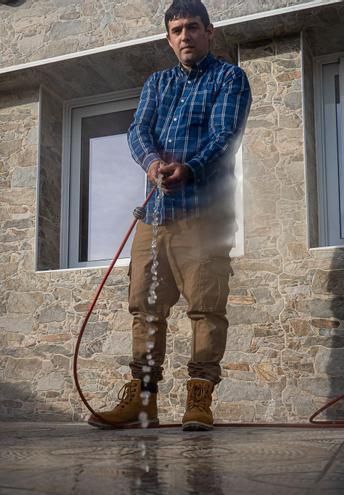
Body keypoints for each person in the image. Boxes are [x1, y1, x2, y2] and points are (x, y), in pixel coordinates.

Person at [88, 0, 252, 431]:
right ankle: (143, 402)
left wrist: (190, 167)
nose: (185, 36)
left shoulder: (229, 78)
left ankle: (199, 399)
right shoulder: (157, 84)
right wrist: (150, 162)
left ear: (209, 32)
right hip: (155, 215)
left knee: (206, 307)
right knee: (144, 308)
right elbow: (138, 130)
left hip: (204, 214)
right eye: (177, 30)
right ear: (168, 38)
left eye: (192, 28)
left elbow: (225, 134)